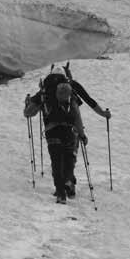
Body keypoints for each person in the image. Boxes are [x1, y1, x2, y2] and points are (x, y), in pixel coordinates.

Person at [24, 63, 110, 203]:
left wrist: (27, 104)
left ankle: (60, 194)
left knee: (56, 160)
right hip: (70, 130)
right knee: (69, 157)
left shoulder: (45, 90)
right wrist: (103, 114)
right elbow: (87, 104)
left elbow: (28, 113)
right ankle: (69, 181)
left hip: (51, 130)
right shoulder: (72, 86)